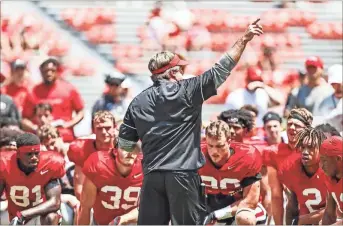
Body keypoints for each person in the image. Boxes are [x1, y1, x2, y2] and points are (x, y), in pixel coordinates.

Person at [118, 19, 263, 225]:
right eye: (180, 69)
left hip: (151, 176)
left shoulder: (137, 101)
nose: (183, 73)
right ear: (173, 72)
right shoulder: (188, 90)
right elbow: (223, 68)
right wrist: (244, 39)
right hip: (182, 176)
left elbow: (125, 145)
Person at [199, 120, 267, 225]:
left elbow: (250, 202)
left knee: (245, 217)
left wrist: (216, 215)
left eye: (219, 146)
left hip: (240, 210)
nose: (214, 152)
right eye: (210, 146)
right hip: (210, 208)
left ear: (229, 141)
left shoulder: (247, 156)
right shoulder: (198, 155)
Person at [0, 133, 65, 224]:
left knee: (51, 217)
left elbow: (55, 202)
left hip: (39, 216)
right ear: (18, 154)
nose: (34, 158)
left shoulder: (49, 163)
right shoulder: (4, 163)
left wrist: (22, 215)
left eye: (36, 153)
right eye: (29, 154)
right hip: (13, 216)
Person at [266, 108, 313, 225]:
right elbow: (276, 196)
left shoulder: (316, 151)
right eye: (289, 124)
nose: (292, 128)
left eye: (297, 125)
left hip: (320, 208)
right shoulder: (275, 153)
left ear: (307, 129)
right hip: (293, 209)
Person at [21, 57, 84, 142]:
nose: (49, 73)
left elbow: (80, 112)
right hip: (41, 138)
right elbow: (24, 118)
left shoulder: (69, 89)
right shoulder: (33, 91)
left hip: (64, 137)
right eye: (45, 71)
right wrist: (35, 128)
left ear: (57, 71)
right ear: (41, 72)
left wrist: (68, 124)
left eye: (52, 70)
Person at [78, 144, 143, 225]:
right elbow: (85, 208)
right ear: (115, 151)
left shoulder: (146, 167)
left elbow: (150, 208)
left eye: (134, 149)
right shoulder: (99, 165)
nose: (130, 153)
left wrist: (124, 219)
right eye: (125, 148)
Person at [278, 127, 327, 225]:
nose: (305, 152)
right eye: (303, 147)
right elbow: (291, 207)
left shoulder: (330, 169)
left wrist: (304, 220)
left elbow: (336, 210)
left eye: (310, 147)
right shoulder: (291, 168)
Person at [67, 110, 116, 199]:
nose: (104, 132)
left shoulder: (124, 148)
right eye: (99, 128)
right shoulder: (83, 149)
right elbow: (79, 185)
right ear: (93, 130)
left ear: (115, 128)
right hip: (92, 199)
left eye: (108, 127)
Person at [37, 125, 79, 224]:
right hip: (65, 201)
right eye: (47, 146)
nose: (51, 148)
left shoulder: (76, 151)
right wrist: (68, 198)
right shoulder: (47, 161)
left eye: (52, 143)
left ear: (60, 138)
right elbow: (45, 194)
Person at [320, 136, 343, 225]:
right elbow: (329, 214)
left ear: (338, 159)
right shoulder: (330, 177)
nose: (321, 166)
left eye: (324, 160)